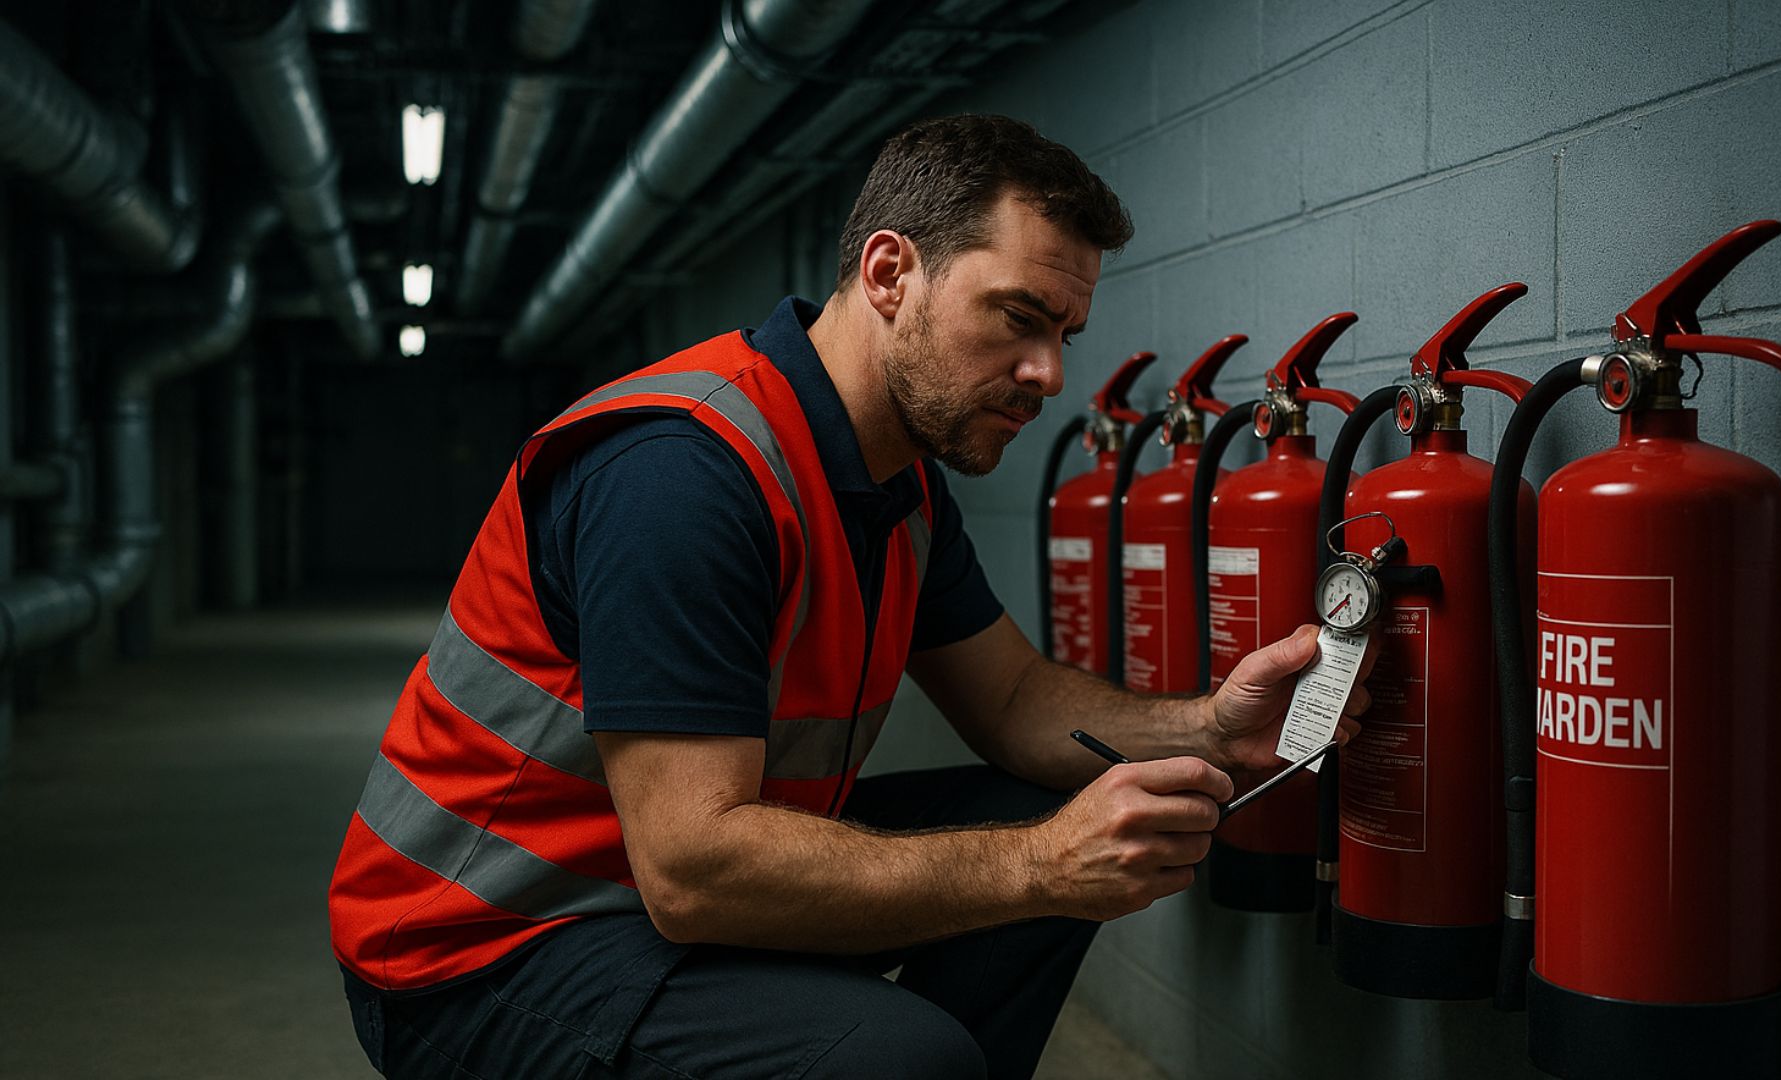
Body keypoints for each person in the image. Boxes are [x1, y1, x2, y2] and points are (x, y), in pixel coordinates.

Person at [328, 113, 1369, 1080]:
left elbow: (1010, 703)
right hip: (479, 946)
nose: (1047, 373)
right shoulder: (681, 474)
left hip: (643, 891)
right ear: (888, 273)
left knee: (1051, 808)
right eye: (1018, 318)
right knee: (900, 1054)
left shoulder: (897, 477)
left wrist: (1210, 726)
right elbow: (694, 872)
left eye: (1064, 337)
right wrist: (1043, 867)